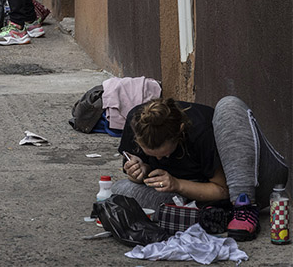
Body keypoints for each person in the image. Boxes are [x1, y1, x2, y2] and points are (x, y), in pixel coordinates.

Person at [113, 97, 288, 242]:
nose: (160, 160)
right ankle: (211, 214)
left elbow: (223, 190)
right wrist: (140, 171)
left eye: (165, 154)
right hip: (197, 195)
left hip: (254, 182)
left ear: (180, 132)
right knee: (120, 192)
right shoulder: (138, 122)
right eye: (151, 154)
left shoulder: (200, 130)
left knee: (228, 106)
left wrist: (177, 184)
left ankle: (244, 207)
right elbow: (139, 176)